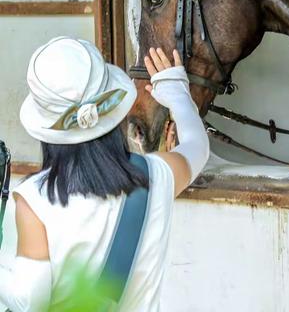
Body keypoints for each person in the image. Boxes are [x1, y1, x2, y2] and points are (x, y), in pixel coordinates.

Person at [0, 36, 210, 311]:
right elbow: (198, 147)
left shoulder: (32, 201)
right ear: (113, 110)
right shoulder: (157, 175)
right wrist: (177, 94)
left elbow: (28, 304)